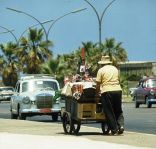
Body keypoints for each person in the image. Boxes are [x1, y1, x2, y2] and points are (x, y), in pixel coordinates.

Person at [96, 55, 124, 135]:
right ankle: (121, 125)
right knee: (118, 109)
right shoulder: (115, 69)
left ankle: (114, 130)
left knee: (109, 111)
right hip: (118, 90)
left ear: (102, 63)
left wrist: (97, 94)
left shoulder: (101, 70)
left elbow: (98, 84)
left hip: (107, 91)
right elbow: (118, 79)